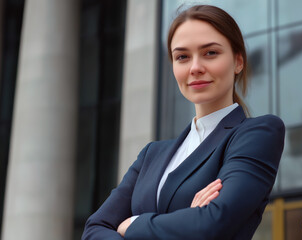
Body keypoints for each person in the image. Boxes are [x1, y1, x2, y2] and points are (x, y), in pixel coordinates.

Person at [82, 4, 285, 240]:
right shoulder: (151, 155)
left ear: (238, 61)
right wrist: (186, 220)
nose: (195, 68)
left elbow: (212, 223)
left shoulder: (257, 134)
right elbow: (94, 230)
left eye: (210, 53)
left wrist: (134, 224)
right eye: (182, 57)